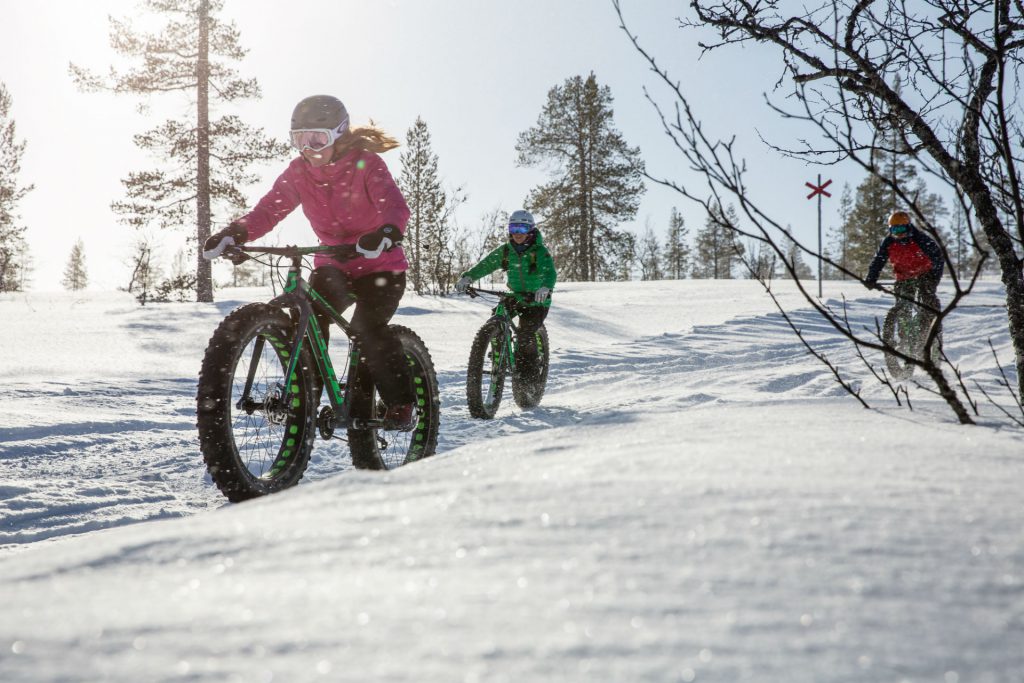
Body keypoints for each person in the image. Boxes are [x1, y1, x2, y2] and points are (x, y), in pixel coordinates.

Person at [203, 94, 416, 430]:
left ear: (340, 134)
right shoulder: (299, 172)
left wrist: (386, 232)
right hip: (335, 264)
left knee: (366, 330)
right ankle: (308, 394)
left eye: (318, 138)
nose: (309, 147)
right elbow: (268, 209)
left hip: (381, 265)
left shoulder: (366, 163)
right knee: (309, 319)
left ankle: (402, 402)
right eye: (300, 139)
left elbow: (394, 205)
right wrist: (236, 233)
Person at [455, 210, 557, 379]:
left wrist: (545, 288)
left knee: (525, 336)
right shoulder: (505, 251)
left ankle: (529, 375)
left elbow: (550, 273)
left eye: (522, 229)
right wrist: (468, 277)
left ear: (530, 230)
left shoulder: (539, 252)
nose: (518, 234)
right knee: (497, 315)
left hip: (537, 300)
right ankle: (499, 348)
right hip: (516, 296)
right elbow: (486, 265)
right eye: (514, 228)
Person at [864, 210, 944, 337]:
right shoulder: (889, 242)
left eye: (901, 229)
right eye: (895, 230)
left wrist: (934, 278)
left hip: (924, 274)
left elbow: (938, 257)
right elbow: (878, 260)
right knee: (902, 305)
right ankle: (904, 336)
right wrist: (871, 278)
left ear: (908, 226)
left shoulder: (920, 239)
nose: (899, 233)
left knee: (927, 298)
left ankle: (933, 328)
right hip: (903, 276)